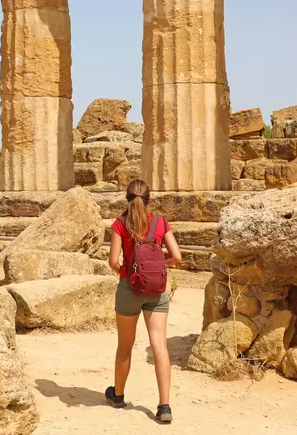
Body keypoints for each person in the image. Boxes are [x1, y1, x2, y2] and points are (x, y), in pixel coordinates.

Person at [105, 179, 182, 423]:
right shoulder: (160, 222)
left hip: (129, 287)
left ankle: (118, 395)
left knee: (125, 345)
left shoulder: (120, 224)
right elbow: (177, 257)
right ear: (149, 199)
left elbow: (113, 262)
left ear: (127, 198)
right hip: (156, 289)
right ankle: (164, 406)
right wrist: (160, 265)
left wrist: (128, 271)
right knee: (159, 344)